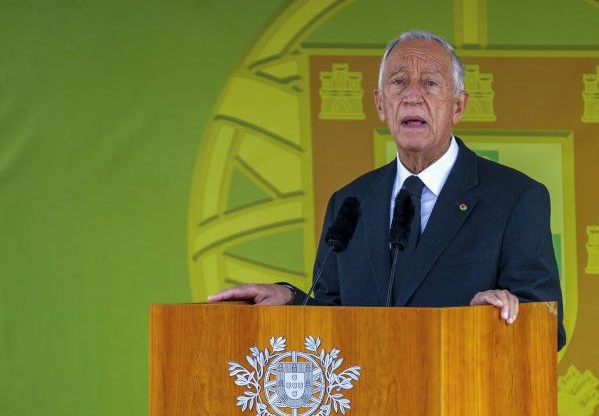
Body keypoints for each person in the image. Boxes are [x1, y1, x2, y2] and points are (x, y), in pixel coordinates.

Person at [209, 30, 566, 349]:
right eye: (398, 82)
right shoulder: (350, 203)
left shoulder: (515, 198)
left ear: (458, 106)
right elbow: (334, 323)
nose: (412, 96)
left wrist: (491, 320)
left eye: (429, 83)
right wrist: (288, 298)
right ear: (381, 104)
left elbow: (548, 332)